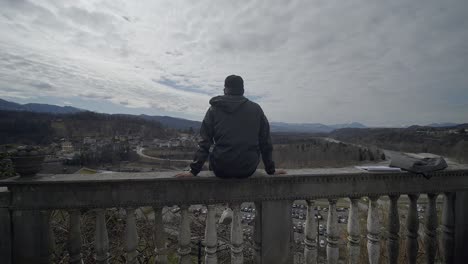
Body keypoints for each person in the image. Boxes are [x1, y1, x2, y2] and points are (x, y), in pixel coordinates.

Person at [175, 75, 286, 178]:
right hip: (247, 168)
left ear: (225, 89)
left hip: (220, 168)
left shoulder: (214, 108)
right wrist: (271, 170)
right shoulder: (256, 109)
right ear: (242, 90)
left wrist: (193, 171)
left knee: (215, 155)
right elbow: (265, 142)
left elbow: (205, 142)